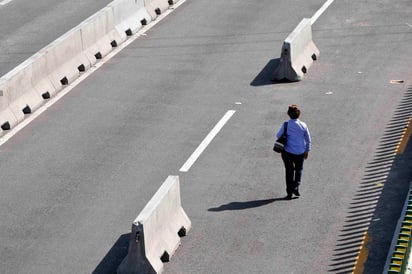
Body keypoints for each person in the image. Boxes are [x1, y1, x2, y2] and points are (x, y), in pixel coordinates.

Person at [276, 104, 311, 200]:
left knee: (289, 171)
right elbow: (308, 139)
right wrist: (307, 150)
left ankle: (289, 192)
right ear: (299, 114)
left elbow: (278, 135)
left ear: (288, 114)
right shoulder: (303, 125)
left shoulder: (286, 125)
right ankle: (296, 186)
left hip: (287, 152)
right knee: (299, 170)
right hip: (300, 152)